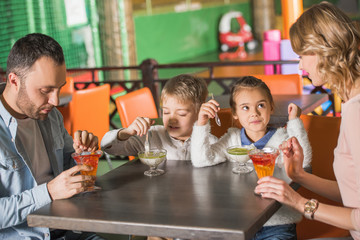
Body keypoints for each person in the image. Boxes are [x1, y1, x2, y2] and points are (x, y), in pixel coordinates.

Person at [254, 2, 360, 240]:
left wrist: (299, 202)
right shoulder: (351, 101)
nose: (300, 66)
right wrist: (300, 175)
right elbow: (353, 194)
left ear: (323, 50)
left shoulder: (357, 112)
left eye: (302, 56)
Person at [0, 33, 102, 239]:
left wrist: (81, 154)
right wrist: (48, 192)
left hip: (73, 230)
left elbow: (67, 166)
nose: (55, 101)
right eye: (46, 90)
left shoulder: (50, 115)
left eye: (59, 88)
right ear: (14, 80)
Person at [191, 76, 312, 239]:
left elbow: (304, 163)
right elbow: (201, 160)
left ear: (271, 108)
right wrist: (201, 123)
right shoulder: (231, 140)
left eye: (261, 105)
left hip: (277, 225)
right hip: (236, 225)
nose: (254, 113)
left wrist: (294, 121)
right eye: (245, 107)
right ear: (234, 113)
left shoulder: (282, 139)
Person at [101, 74, 217, 161]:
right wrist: (126, 132)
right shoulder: (151, 136)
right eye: (166, 112)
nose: (172, 119)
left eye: (181, 114)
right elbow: (106, 146)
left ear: (200, 112)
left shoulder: (209, 142)